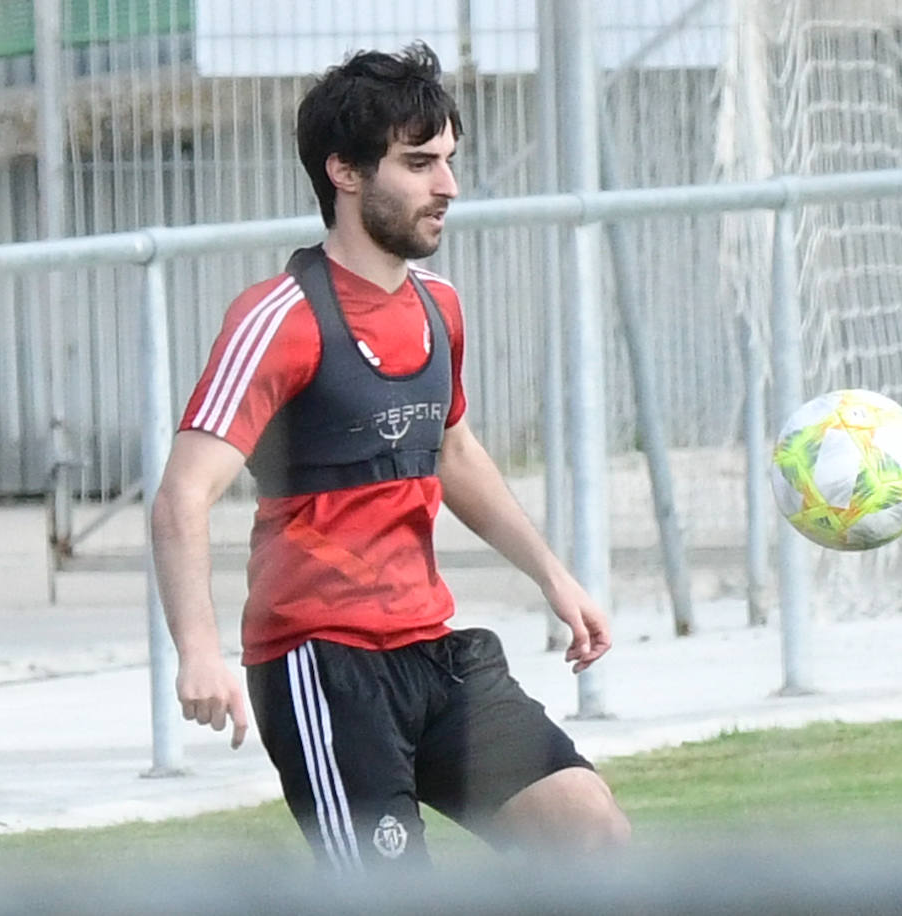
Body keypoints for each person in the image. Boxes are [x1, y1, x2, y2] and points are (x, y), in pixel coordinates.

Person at [150, 42, 630, 869]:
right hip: (323, 666)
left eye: (448, 160)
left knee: (588, 826)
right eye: (419, 163)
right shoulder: (278, 319)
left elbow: (453, 451)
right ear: (344, 172)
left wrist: (554, 577)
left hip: (430, 651)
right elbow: (181, 497)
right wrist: (198, 653)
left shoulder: (439, 307)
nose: (447, 186)